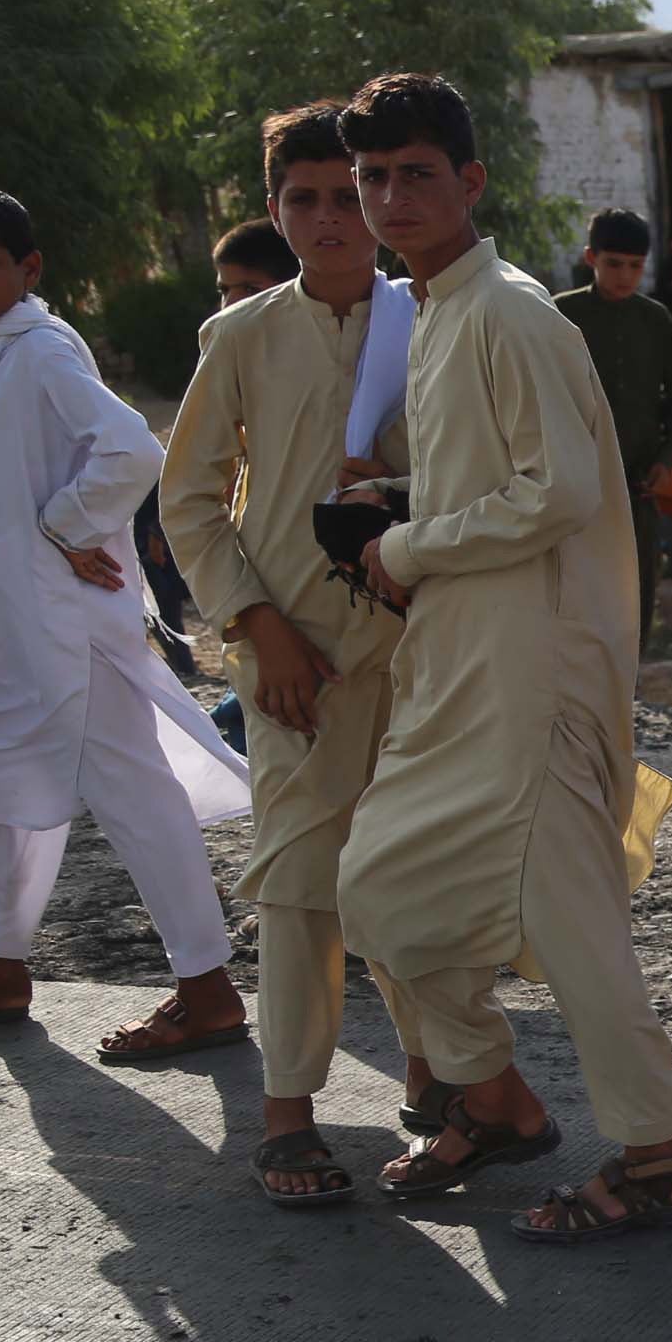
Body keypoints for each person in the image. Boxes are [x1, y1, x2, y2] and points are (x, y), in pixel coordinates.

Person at [331, 72, 672, 1241]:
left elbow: (565, 490)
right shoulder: (438, 309)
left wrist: (404, 538)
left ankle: (654, 1157)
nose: (393, 197)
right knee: (379, 892)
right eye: (374, 178)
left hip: (538, 674)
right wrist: (398, 507)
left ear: (470, 182)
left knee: (582, 939)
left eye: (417, 174)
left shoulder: (510, 310)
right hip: (463, 667)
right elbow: (495, 483)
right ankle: (494, 1100)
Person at [0, 186, 252, 1058]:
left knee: (135, 802)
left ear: (29, 269)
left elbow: (131, 450)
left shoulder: (40, 352)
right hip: (1, 633)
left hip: (61, 634)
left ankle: (206, 989)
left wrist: (65, 528)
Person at [158, 104, 438, 1205]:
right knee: (299, 883)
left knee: (413, 867)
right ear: (274, 211)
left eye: (346, 193)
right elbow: (188, 502)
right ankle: (288, 1112)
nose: (331, 217)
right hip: (290, 661)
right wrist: (253, 623)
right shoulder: (242, 336)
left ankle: (440, 1084)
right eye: (305, 199)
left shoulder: (435, 319)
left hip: (420, 651)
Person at [555, 207, 672, 652]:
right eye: (615, 264)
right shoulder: (560, 314)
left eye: (636, 266)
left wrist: (666, 460)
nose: (625, 276)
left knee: (636, 592)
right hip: (574, 485)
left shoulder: (654, 319)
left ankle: (630, 701)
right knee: (573, 594)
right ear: (591, 257)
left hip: (637, 484)